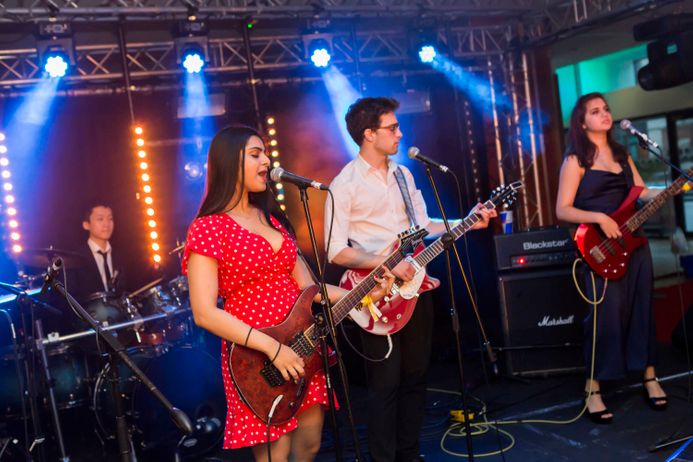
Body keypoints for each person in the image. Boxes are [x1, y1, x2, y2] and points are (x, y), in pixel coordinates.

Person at [183, 125, 395, 462]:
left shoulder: (273, 220)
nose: (267, 160)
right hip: (256, 357)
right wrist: (272, 348)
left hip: (304, 346)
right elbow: (204, 312)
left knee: (309, 445)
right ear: (228, 163)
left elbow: (311, 290)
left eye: (265, 152)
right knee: (276, 455)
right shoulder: (208, 227)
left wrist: (368, 291)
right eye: (255, 154)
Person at [324, 97, 495, 462]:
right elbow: (334, 250)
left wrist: (464, 220)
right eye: (392, 128)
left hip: (416, 285)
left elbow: (423, 227)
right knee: (384, 384)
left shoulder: (404, 174)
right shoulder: (344, 184)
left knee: (416, 377)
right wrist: (384, 262)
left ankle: (409, 454)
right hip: (376, 293)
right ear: (369, 134)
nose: (400, 133)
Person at [556, 92, 669, 424]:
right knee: (603, 317)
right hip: (598, 247)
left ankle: (650, 377)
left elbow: (640, 192)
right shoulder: (576, 159)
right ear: (582, 121)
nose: (604, 114)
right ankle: (593, 389)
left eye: (606, 109)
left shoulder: (622, 154)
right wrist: (599, 219)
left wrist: (669, 188)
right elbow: (562, 209)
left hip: (634, 244)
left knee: (642, 307)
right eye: (595, 111)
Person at [71, 204, 126, 303]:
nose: (107, 224)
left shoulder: (121, 254)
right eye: (100, 219)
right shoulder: (75, 259)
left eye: (110, 219)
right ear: (86, 225)